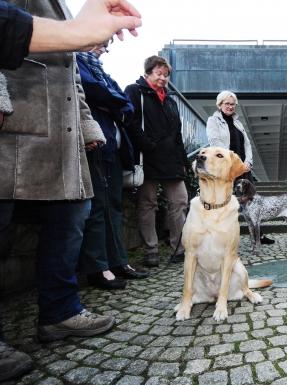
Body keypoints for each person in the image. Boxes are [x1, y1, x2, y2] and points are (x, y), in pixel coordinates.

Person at [0, 0, 141, 381]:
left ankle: (60, 311)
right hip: (15, 120)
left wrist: (88, 127)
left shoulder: (59, 6)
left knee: (71, 218)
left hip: (62, 133)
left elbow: (72, 75)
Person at [76, 43, 149, 290]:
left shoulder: (104, 73)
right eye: (99, 43)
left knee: (114, 207)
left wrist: (114, 105)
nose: (102, 49)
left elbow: (125, 104)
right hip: (94, 146)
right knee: (97, 208)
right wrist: (113, 104)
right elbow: (93, 91)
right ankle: (99, 268)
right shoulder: (76, 63)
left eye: (106, 46)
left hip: (114, 151)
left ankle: (118, 262)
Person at [124, 56, 189, 267]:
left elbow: (177, 134)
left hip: (170, 160)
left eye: (166, 74)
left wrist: (183, 162)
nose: (163, 78)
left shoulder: (170, 100)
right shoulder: (135, 91)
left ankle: (180, 248)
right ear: (148, 73)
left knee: (179, 202)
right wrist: (147, 145)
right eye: (158, 73)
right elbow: (130, 122)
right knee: (147, 204)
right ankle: (151, 250)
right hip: (147, 158)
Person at [206, 90, 275, 245]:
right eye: (227, 103)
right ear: (220, 104)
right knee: (226, 204)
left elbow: (247, 144)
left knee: (252, 202)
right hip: (227, 170)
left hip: (243, 170)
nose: (230, 107)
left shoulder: (238, 123)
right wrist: (235, 164)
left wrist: (248, 163)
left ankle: (258, 235)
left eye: (233, 104)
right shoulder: (213, 121)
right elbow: (216, 145)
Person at [0, 0, 141, 70]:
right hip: (23, 119)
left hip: (62, 120)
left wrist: (88, 126)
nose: (102, 49)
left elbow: (73, 75)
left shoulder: (64, 8)